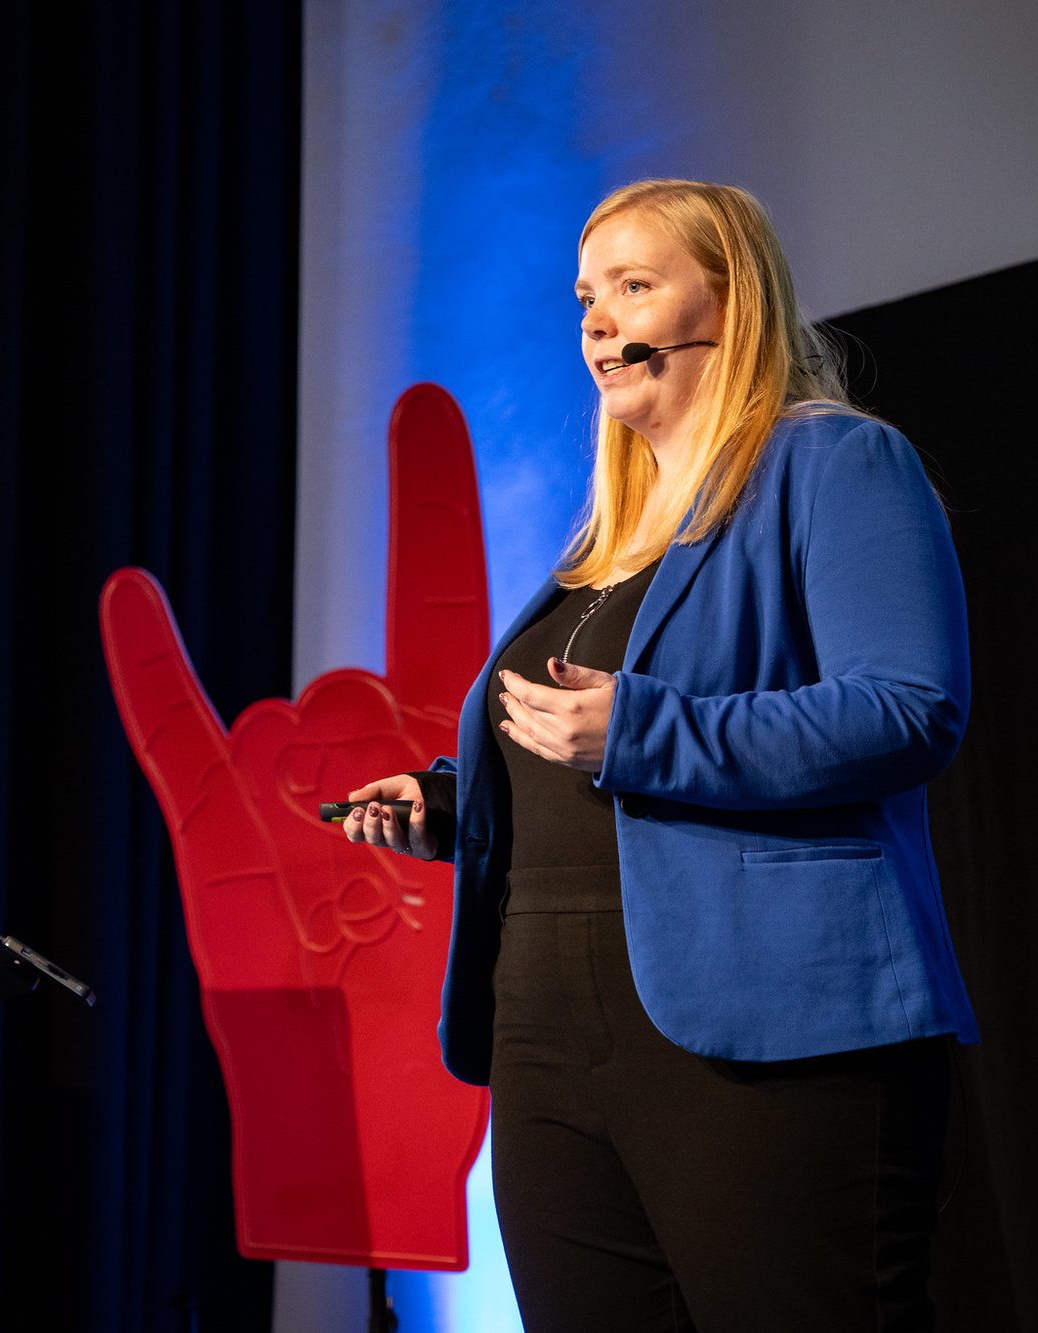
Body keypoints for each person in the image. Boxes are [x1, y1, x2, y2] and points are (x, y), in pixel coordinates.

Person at [342, 178, 977, 1331]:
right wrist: (449, 805)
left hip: (769, 1022)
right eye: (585, 294)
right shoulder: (604, 538)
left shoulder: (834, 465)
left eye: (632, 286)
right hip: (546, 1023)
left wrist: (642, 729)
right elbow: (573, 760)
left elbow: (906, 710)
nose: (594, 319)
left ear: (729, 307)